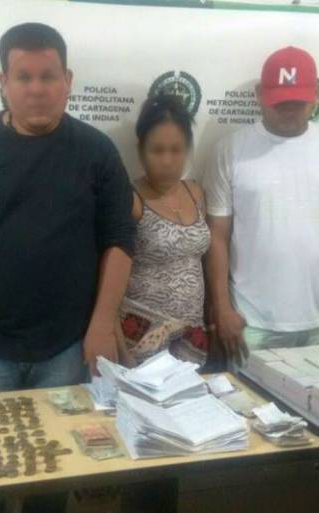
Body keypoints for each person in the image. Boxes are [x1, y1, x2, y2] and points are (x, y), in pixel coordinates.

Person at [0, 23, 135, 396]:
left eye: (48, 76)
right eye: (24, 77)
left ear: (67, 80)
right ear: (3, 82)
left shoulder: (97, 152)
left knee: (67, 436)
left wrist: (102, 325)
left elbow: (119, 239)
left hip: (69, 346)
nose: (37, 89)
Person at [204, 46, 319, 366]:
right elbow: (217, 236)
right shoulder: (230, 150)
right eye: (280, 102)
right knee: (251, 400)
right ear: (259, 95)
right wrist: (221, 307)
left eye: (298, 102)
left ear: (316, 95)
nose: (289, 110)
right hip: (251, 323)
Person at [118, 94, 210, 367]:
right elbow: (108, 275)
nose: (167, 161)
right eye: (157, 151)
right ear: (140, 150)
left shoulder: (196, 193)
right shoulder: (130, 199)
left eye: (176, 150)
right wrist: (117, 344)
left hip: (192, 336)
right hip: (141, 335)